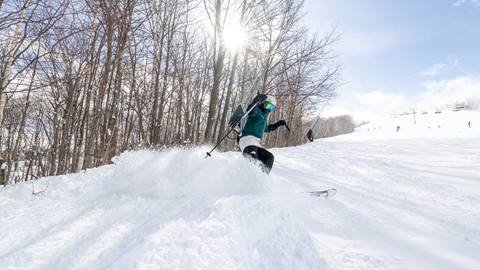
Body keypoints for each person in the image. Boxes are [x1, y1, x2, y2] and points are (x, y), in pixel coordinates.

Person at [237, 94, 288, 174]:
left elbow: (267, 129)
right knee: (253, 159)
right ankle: (248, 178)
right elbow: (250, 109)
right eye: (268, 106)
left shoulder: (263, 120)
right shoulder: (257, 111)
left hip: (255, 143)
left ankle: (261, 177)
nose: (268, 109)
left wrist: (278, 124)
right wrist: (257, 99)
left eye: (271, 108)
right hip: (247, 139)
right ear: (263, 103)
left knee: (269, 157)